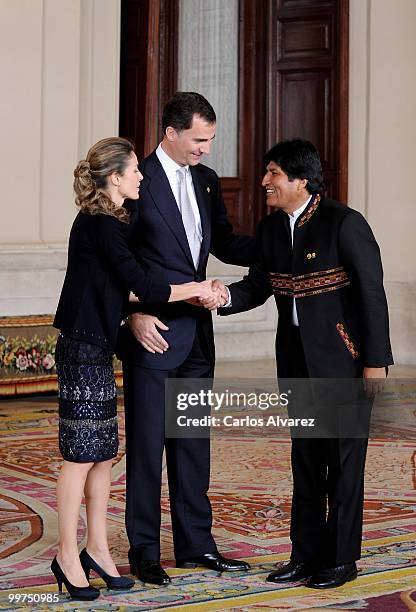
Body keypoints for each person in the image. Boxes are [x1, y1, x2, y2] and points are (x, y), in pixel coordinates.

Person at [218, 139, 393, 589]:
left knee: (344, 463)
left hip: (345, 363)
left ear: (302, 180)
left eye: (273, 174)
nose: (264, 183)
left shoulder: (344, 223)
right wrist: (221, 297)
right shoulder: (273, 229)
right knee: (307, 461)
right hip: (296, 363)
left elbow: (372, 295)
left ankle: (340, 561)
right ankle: (304, 556)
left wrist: (375, 363)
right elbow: (258, 285)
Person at [52, 137, 220, 600]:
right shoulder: (100, 224)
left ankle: (99, 550)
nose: (141, 175)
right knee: (80, 457)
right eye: (134, 171)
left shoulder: (112, 222)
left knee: (103, 454)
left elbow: (122, 287)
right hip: (82, 348)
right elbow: (144, 283)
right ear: (114, 178)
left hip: (99, 346)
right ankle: (67, 555)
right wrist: (199, 289)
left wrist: (141, 304)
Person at [117, 92, 256, 584]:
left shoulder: (207, 182)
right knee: (147, 448)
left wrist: (284, 240)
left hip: (197, 339)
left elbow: (225, 242)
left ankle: (197, 547)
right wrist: (130, 314)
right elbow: (118, 260)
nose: (205, 150)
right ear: (171, 133)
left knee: (193, 445)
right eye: (199, 140)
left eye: (210, 141)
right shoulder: (135, 181)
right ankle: (145, 553)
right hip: (152, 335)